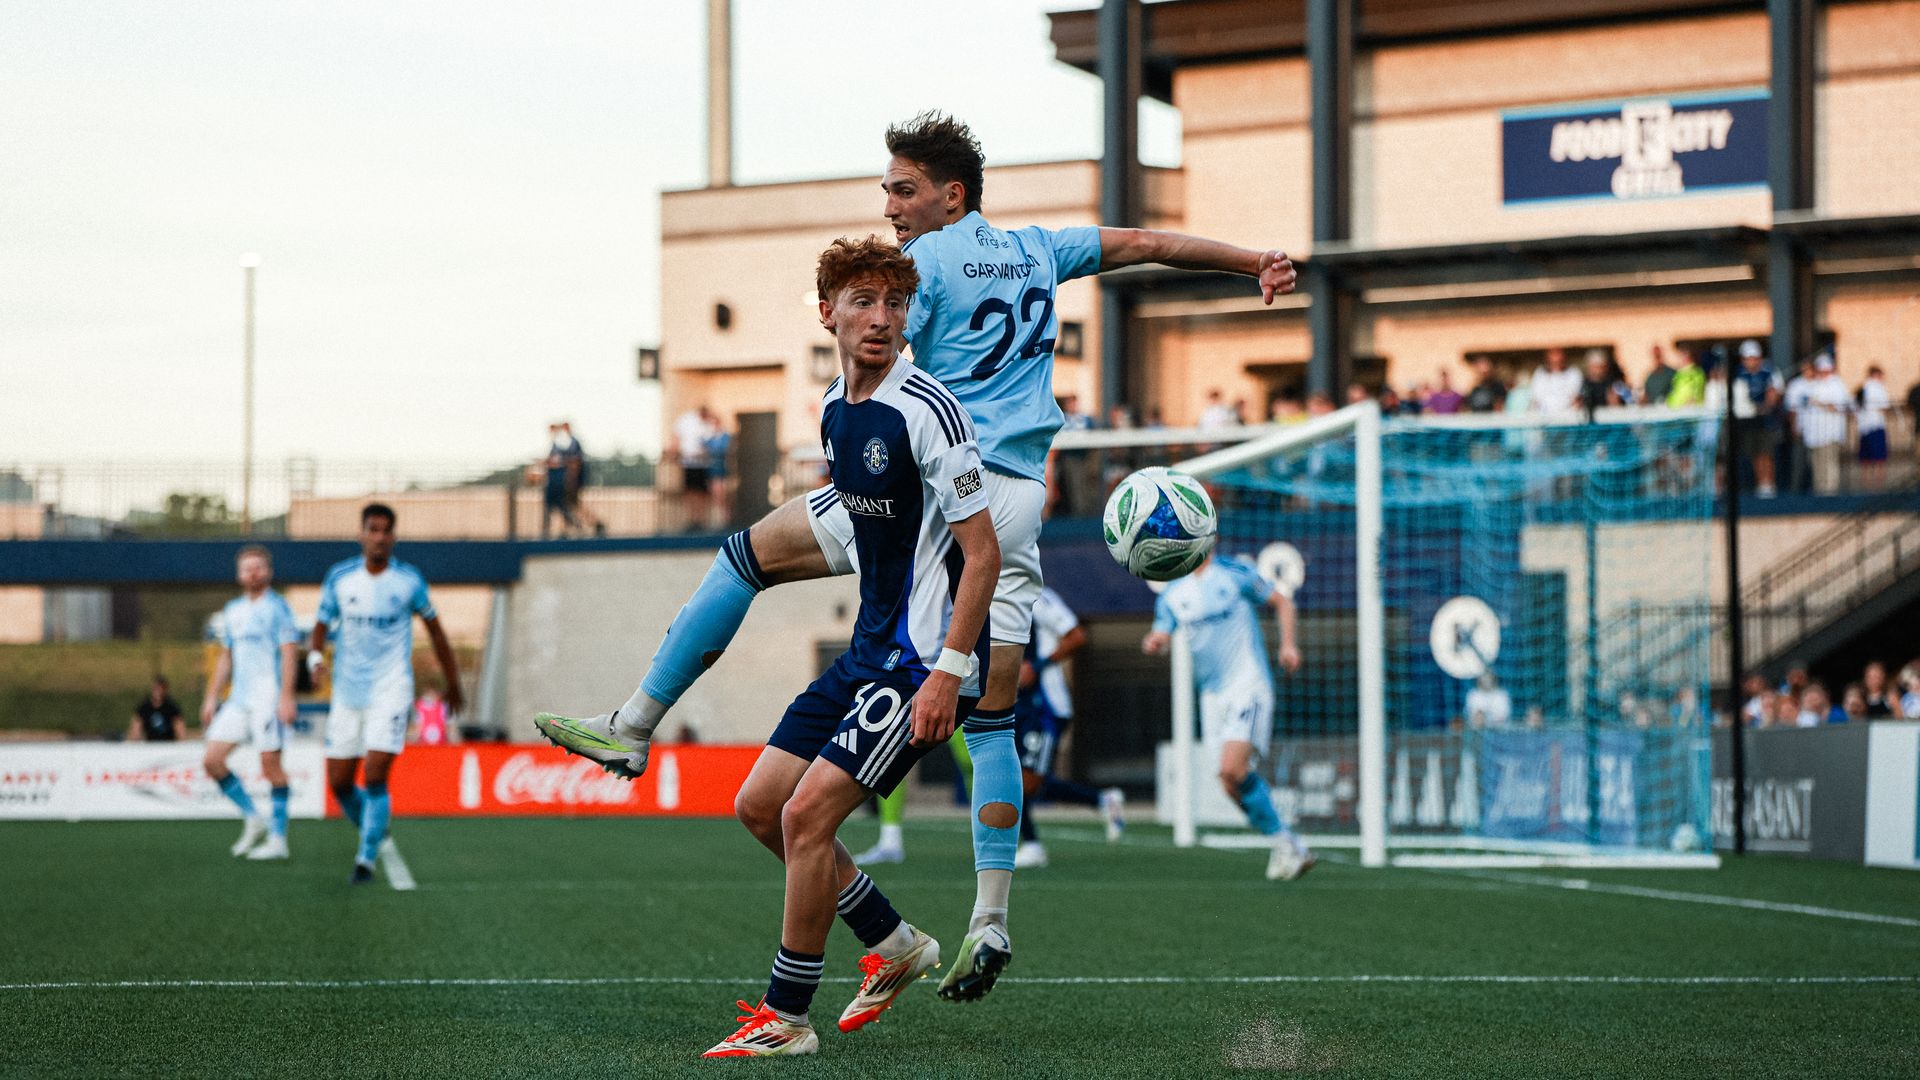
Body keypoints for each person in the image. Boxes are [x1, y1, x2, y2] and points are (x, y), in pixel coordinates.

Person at [535, 110, 1296, 990]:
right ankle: (992, 919)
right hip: (1020, 499)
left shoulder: (924, 264)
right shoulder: (1041, 247)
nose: (891, 206)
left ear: (949, 194)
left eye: (903, 189)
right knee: (996, 718)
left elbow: (883, 349)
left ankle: (633, 725)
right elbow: (1144, 241)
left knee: (747, 557)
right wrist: (1250, 262)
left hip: (935, 488)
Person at [697, 238, 1000, 1058]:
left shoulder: (928, 411)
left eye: (894, 304)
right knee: (760, 807)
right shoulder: (835, 408)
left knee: (806, 815)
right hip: (871, 652)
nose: (881, 318)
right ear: (826, 310)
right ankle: (894, 942)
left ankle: (787, 1016)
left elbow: (984, 554)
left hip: (920, 665)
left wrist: (949, 672)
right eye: (863, 301)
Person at [310, 503, 464, 884]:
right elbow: (319, 624)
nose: (379, 537)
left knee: (375, 773)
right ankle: (375, 824)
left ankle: (365, 858)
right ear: (362, 534)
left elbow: (436, 632)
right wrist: (315, 657)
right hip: (347, 691)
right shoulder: (340, 577)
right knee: (340, 782)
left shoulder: (409, 580)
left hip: (391, 687)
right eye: (373, 530)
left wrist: (453, 682)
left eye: (385, 531)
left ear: (393, 536)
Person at [1140, 552, 1311, 881]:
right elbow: (1161, 631)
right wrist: (1155, 641)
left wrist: (1288, 645)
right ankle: (1286, 843)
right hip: (1212, 696)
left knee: (1232, 768)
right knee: (1228, 782)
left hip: (1248, 684)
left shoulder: (1235, 574)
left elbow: (1284, 603)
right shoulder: (1173, 592)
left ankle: (1290, 844)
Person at [1011, 587, 1125, 869]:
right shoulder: (992, 591)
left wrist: (1037, 666)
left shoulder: (1039, 595)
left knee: (1025, 781)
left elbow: (1076, 635)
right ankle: (1102, 800)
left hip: (1045, 705)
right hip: (1013, 704)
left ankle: (1034, 846)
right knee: (1015, 778)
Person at [200, 545, 300, 860]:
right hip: (238, 700)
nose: (252, 572)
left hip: (268, 698)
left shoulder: (278, 607)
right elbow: (226, 657)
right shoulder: (232, 611)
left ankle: (278, 840)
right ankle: (253, 817)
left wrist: (286, 695)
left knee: (271, 767)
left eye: (258, 567)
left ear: (268, 572)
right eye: (247, 568)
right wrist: (211, 697)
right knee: (212, 761)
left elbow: (288, 651)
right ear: (239, 574)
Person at [1799, 354, 1853, 494]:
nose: (1823, 374)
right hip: (1814, 434)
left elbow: (1838, 407)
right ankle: (1820, 492)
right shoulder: (1814, 385)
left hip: (1830, 433)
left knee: (1829, 463)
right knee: (1817, 465)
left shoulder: (1837, 385)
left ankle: (1830, 492)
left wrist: (1818, 403)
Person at [671, 405, 717, 531]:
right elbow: (676, 437)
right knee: (691, 492)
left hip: (703, 464)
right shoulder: (686, 420)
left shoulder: (709, 423)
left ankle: (701, 520)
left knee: (702, 494)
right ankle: (693, 519)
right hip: (689, 463)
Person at [540, 422, 579, 539]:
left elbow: (559, 462)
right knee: (556, 506)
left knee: (558, 506)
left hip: (556, 481)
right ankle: (572, 525)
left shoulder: (561, 445)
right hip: (556, 481)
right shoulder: (557, 444)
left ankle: (573, 525)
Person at [1857, 365, 1892, 490]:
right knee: (1878, 458)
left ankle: (1866, 484)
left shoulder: (1863, 388)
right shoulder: (1877, 387)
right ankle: (1878, 485)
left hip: (1864, 426)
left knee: (1866, 459)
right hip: (1875, 425)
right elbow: (1884, 406)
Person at [1528, 347, 1583, 419]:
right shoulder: (1540, 373)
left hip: (1567, 418)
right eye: (1553, 360)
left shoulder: (1574, 373)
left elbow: (1575, 397)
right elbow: (1536, 398)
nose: (1556, 361)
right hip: (1544, 418)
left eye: (1559, 359)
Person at [128, 676, 184, 742]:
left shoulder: (171, 708)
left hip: (168, 745)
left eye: (161, 688)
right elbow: (135, 730)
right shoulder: (145, 708)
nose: (158, 691)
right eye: (156, 688)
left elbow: (180, 730)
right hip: (151, 746)